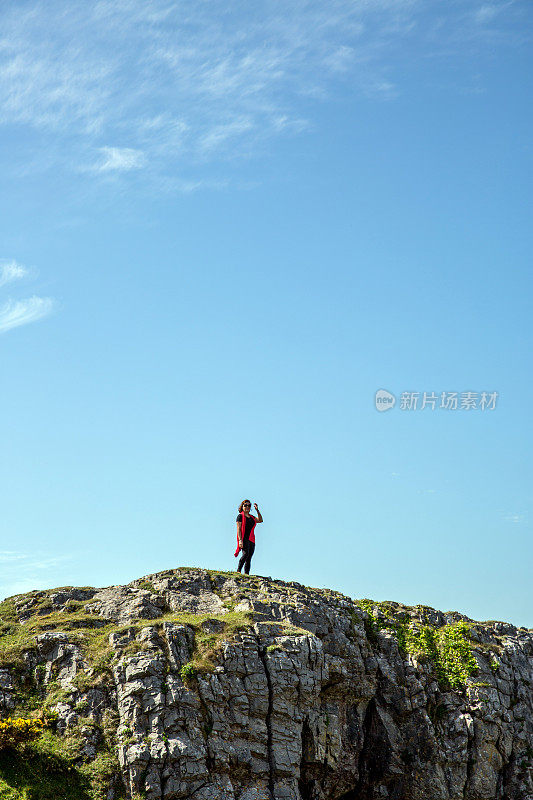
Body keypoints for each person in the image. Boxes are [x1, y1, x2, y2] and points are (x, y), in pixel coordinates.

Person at [235, 499, 263, 574]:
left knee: (249, 557)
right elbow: (239, 529)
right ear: (242, 506)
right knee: (245, 554)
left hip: (251, 539)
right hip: (244, 538)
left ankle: (246, 574)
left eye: (249, 505)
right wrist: (240, 540)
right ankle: (238, 571)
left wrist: (257, 510)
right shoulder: (240, 516)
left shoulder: (252, 517)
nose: (247, 507)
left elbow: (260, 520)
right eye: (245, 505)